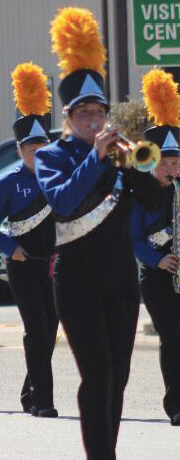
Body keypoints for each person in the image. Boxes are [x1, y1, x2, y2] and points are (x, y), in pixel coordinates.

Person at [35, 9, 162, 459]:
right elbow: (65, 202)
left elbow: (150, 201)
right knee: (98, 374)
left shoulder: (118, 155)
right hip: (76, 279)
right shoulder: (53, 156)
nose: (94, 121)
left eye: (99, 112)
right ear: (69, 118)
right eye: (84, 114)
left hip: (120, 277)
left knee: (121, 376)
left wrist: (144, 164)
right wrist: (96, 157)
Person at [0, 62, 58, 417]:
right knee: (37, 330)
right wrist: (13, 249)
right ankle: (44, 401)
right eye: (30, 147)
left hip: (54, 266)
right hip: (24, 266)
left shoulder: (60, 177)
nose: (37, 152)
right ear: (19, 150)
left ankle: (31, 389)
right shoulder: (9, 183)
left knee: (51, 329)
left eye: (43, 145)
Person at [131, 67, 180, 427]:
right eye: (165, 161)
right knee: (172, 339)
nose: (172, 168)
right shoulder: (141, 194)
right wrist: (157, 259)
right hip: (158, 276)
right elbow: (132, 238)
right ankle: (175, 405)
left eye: (176, 161)